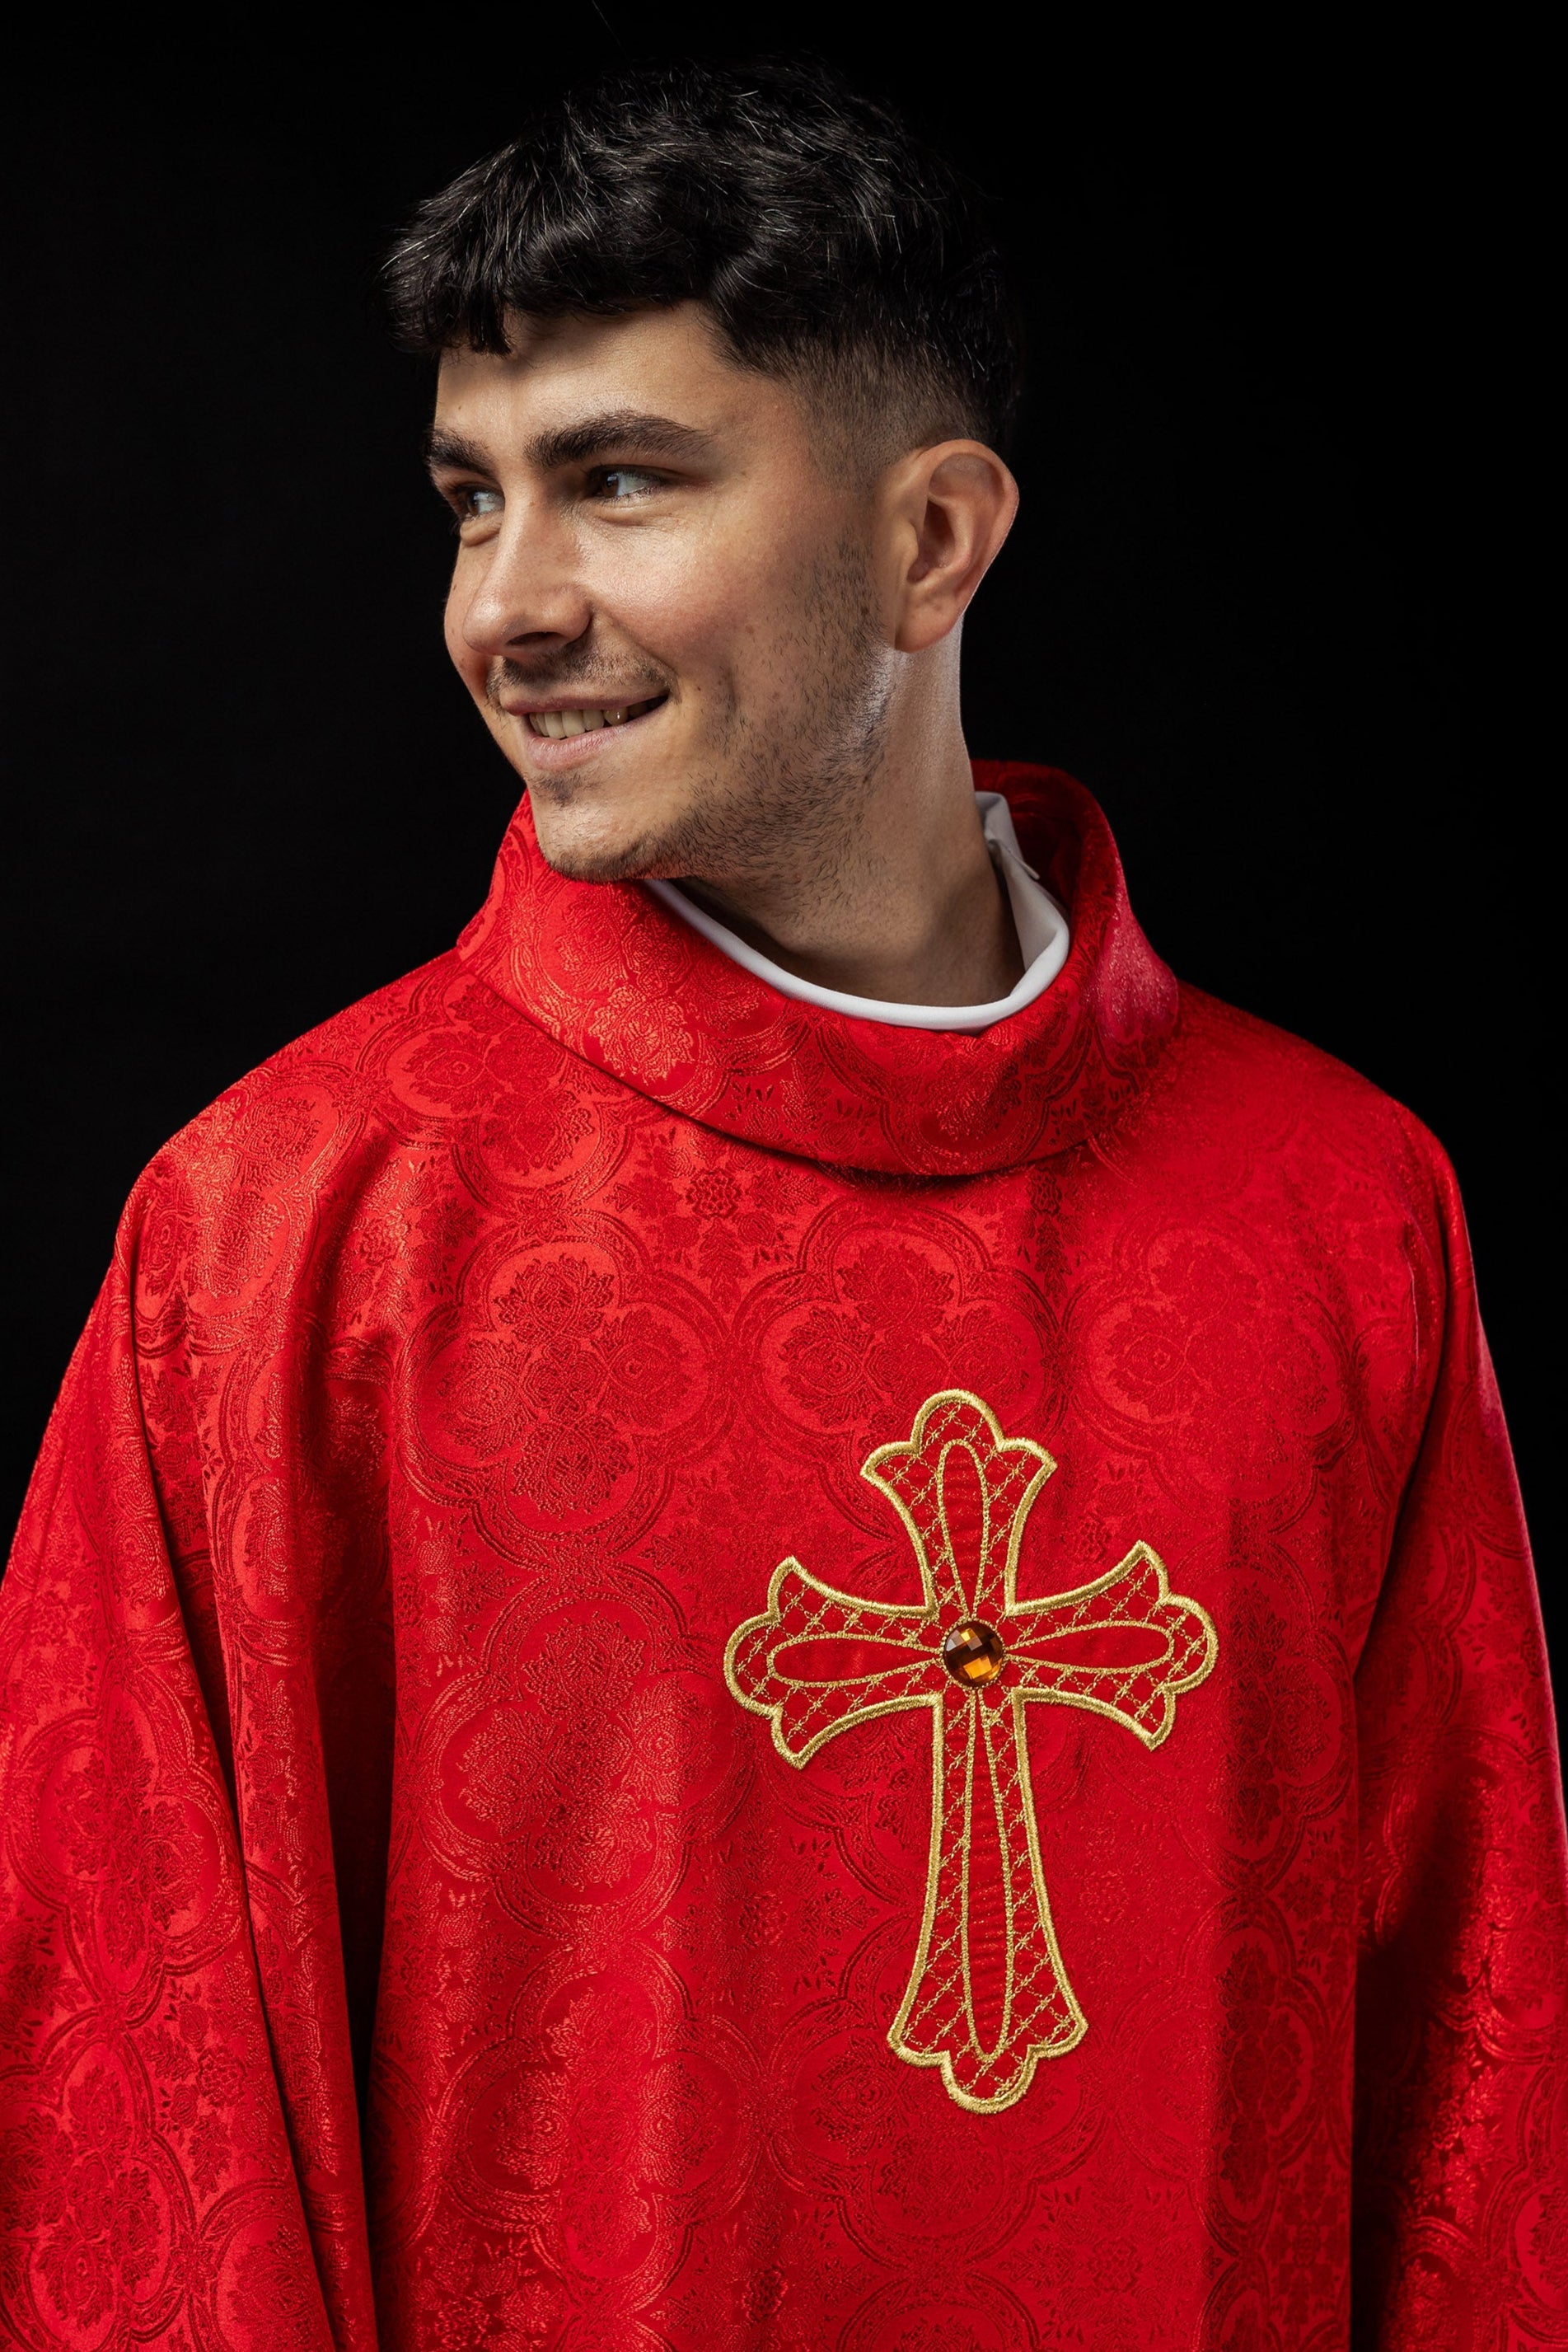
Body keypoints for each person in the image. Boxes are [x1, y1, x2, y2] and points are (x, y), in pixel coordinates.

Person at [2, 55, 1562, 2352]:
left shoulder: (1339, 1216)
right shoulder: (275, 1243)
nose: (507, 608)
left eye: (619, 484)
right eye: (470, 501)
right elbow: (140, 2145)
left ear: (933, 540)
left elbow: (1477, 2108)